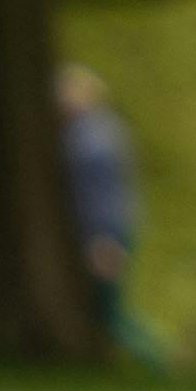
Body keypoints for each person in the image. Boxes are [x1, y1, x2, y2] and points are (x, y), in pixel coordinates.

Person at [57, 64, 170, 371]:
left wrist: (103, 240)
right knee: (107, 310)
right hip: (112, 229)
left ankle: (165, 364)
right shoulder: (104, 130)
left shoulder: (90, 139)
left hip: (106, 234)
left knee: (109, 313)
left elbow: (101, 195)